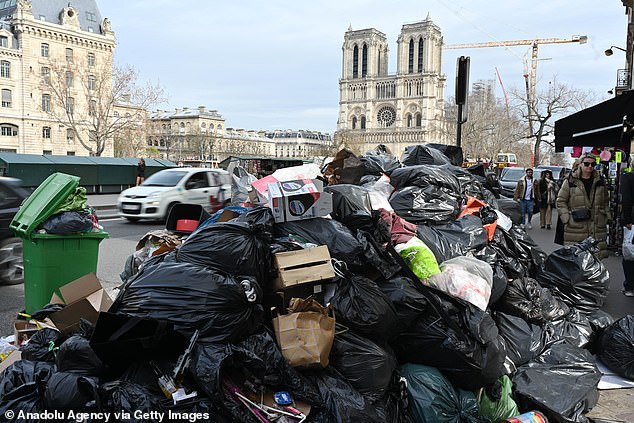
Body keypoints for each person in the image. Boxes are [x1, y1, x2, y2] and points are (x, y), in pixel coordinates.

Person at [556, 153, 609, 258]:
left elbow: (605, 201)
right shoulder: (570, 181)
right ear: (580, 164)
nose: (590, 166)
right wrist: (566, 218)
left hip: (596, 226)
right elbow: (560, 201)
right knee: (576, 260)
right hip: (576, 226)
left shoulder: (600, 181)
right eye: (587, 164)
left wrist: (606, 215)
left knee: (595, 260)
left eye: (593, 164)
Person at [620, 160, 634, 296]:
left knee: (629, 254)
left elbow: (627, 199)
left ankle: (630, 286)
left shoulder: (628, 177)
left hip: (632, 221)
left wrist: (627, 219)